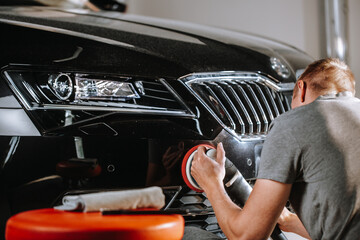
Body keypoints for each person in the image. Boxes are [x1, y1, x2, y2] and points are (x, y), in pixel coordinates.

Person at [190, 58, 360, 240]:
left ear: (301, 89)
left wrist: (212, 184)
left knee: (191, 234)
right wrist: (289, 220)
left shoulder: (294, 123)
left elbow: (246, 237)